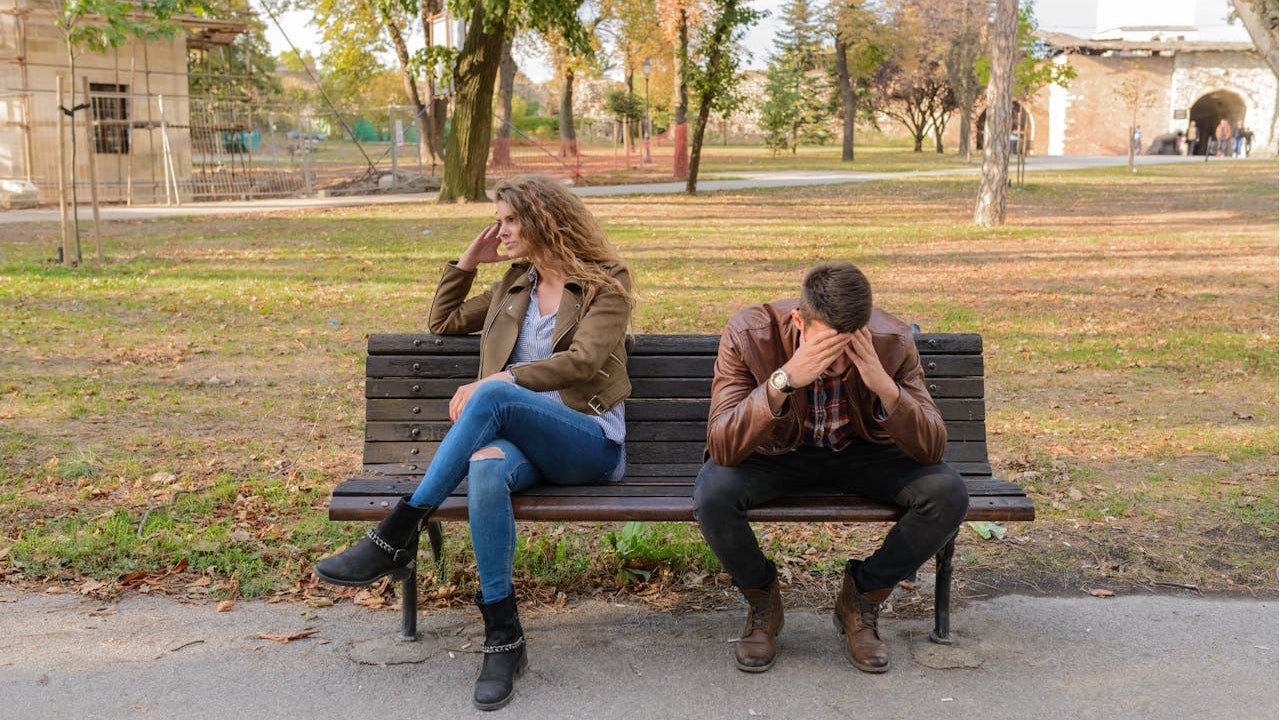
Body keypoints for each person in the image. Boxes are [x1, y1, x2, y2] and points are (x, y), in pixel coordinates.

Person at [314, 175, 633, 711]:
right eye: (500, 221)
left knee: (492, 396)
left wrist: (500, 381)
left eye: (510, 220)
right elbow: (442, 321)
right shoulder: (513, 285)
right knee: (485, 468)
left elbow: (584, 362)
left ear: (542, 220)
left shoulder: (606, 280)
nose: (500, 230)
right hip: (519, 443)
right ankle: (503, 637)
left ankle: (398, 531)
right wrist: (467, 261)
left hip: (588, 442)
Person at [693, 263, 968, 675]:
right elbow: (723, 446)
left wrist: (882, 384)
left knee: (947, 493)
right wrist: (782, 382)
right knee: (713, 492)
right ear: (799, 321)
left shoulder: (891, 339)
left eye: (848, 349)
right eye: (825, 348)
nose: (836, 365)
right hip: (777, 454)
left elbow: (931, 447)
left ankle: (863, 597)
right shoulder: (750, 333)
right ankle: (762, 598)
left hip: (861, 452)